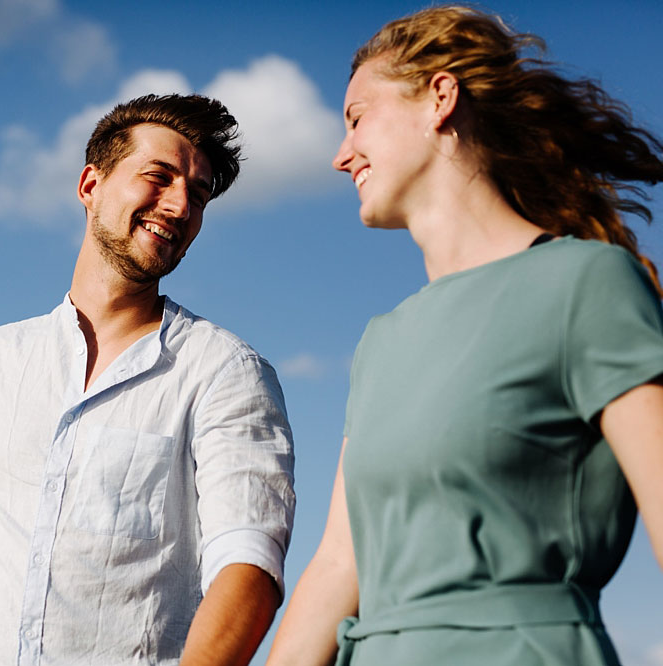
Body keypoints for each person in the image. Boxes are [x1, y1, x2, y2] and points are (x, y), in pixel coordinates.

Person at [267, 6, 663, 666]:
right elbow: (339, 565)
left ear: (440, 98)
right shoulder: (381, 342)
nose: (341, 155)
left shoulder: (587, 283)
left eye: (357, 118)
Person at [0, 94, 295, 666]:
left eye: (196, 196)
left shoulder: (224, 371)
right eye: (159, 177)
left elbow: (248, 568)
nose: (178, 206)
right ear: (90, 185)